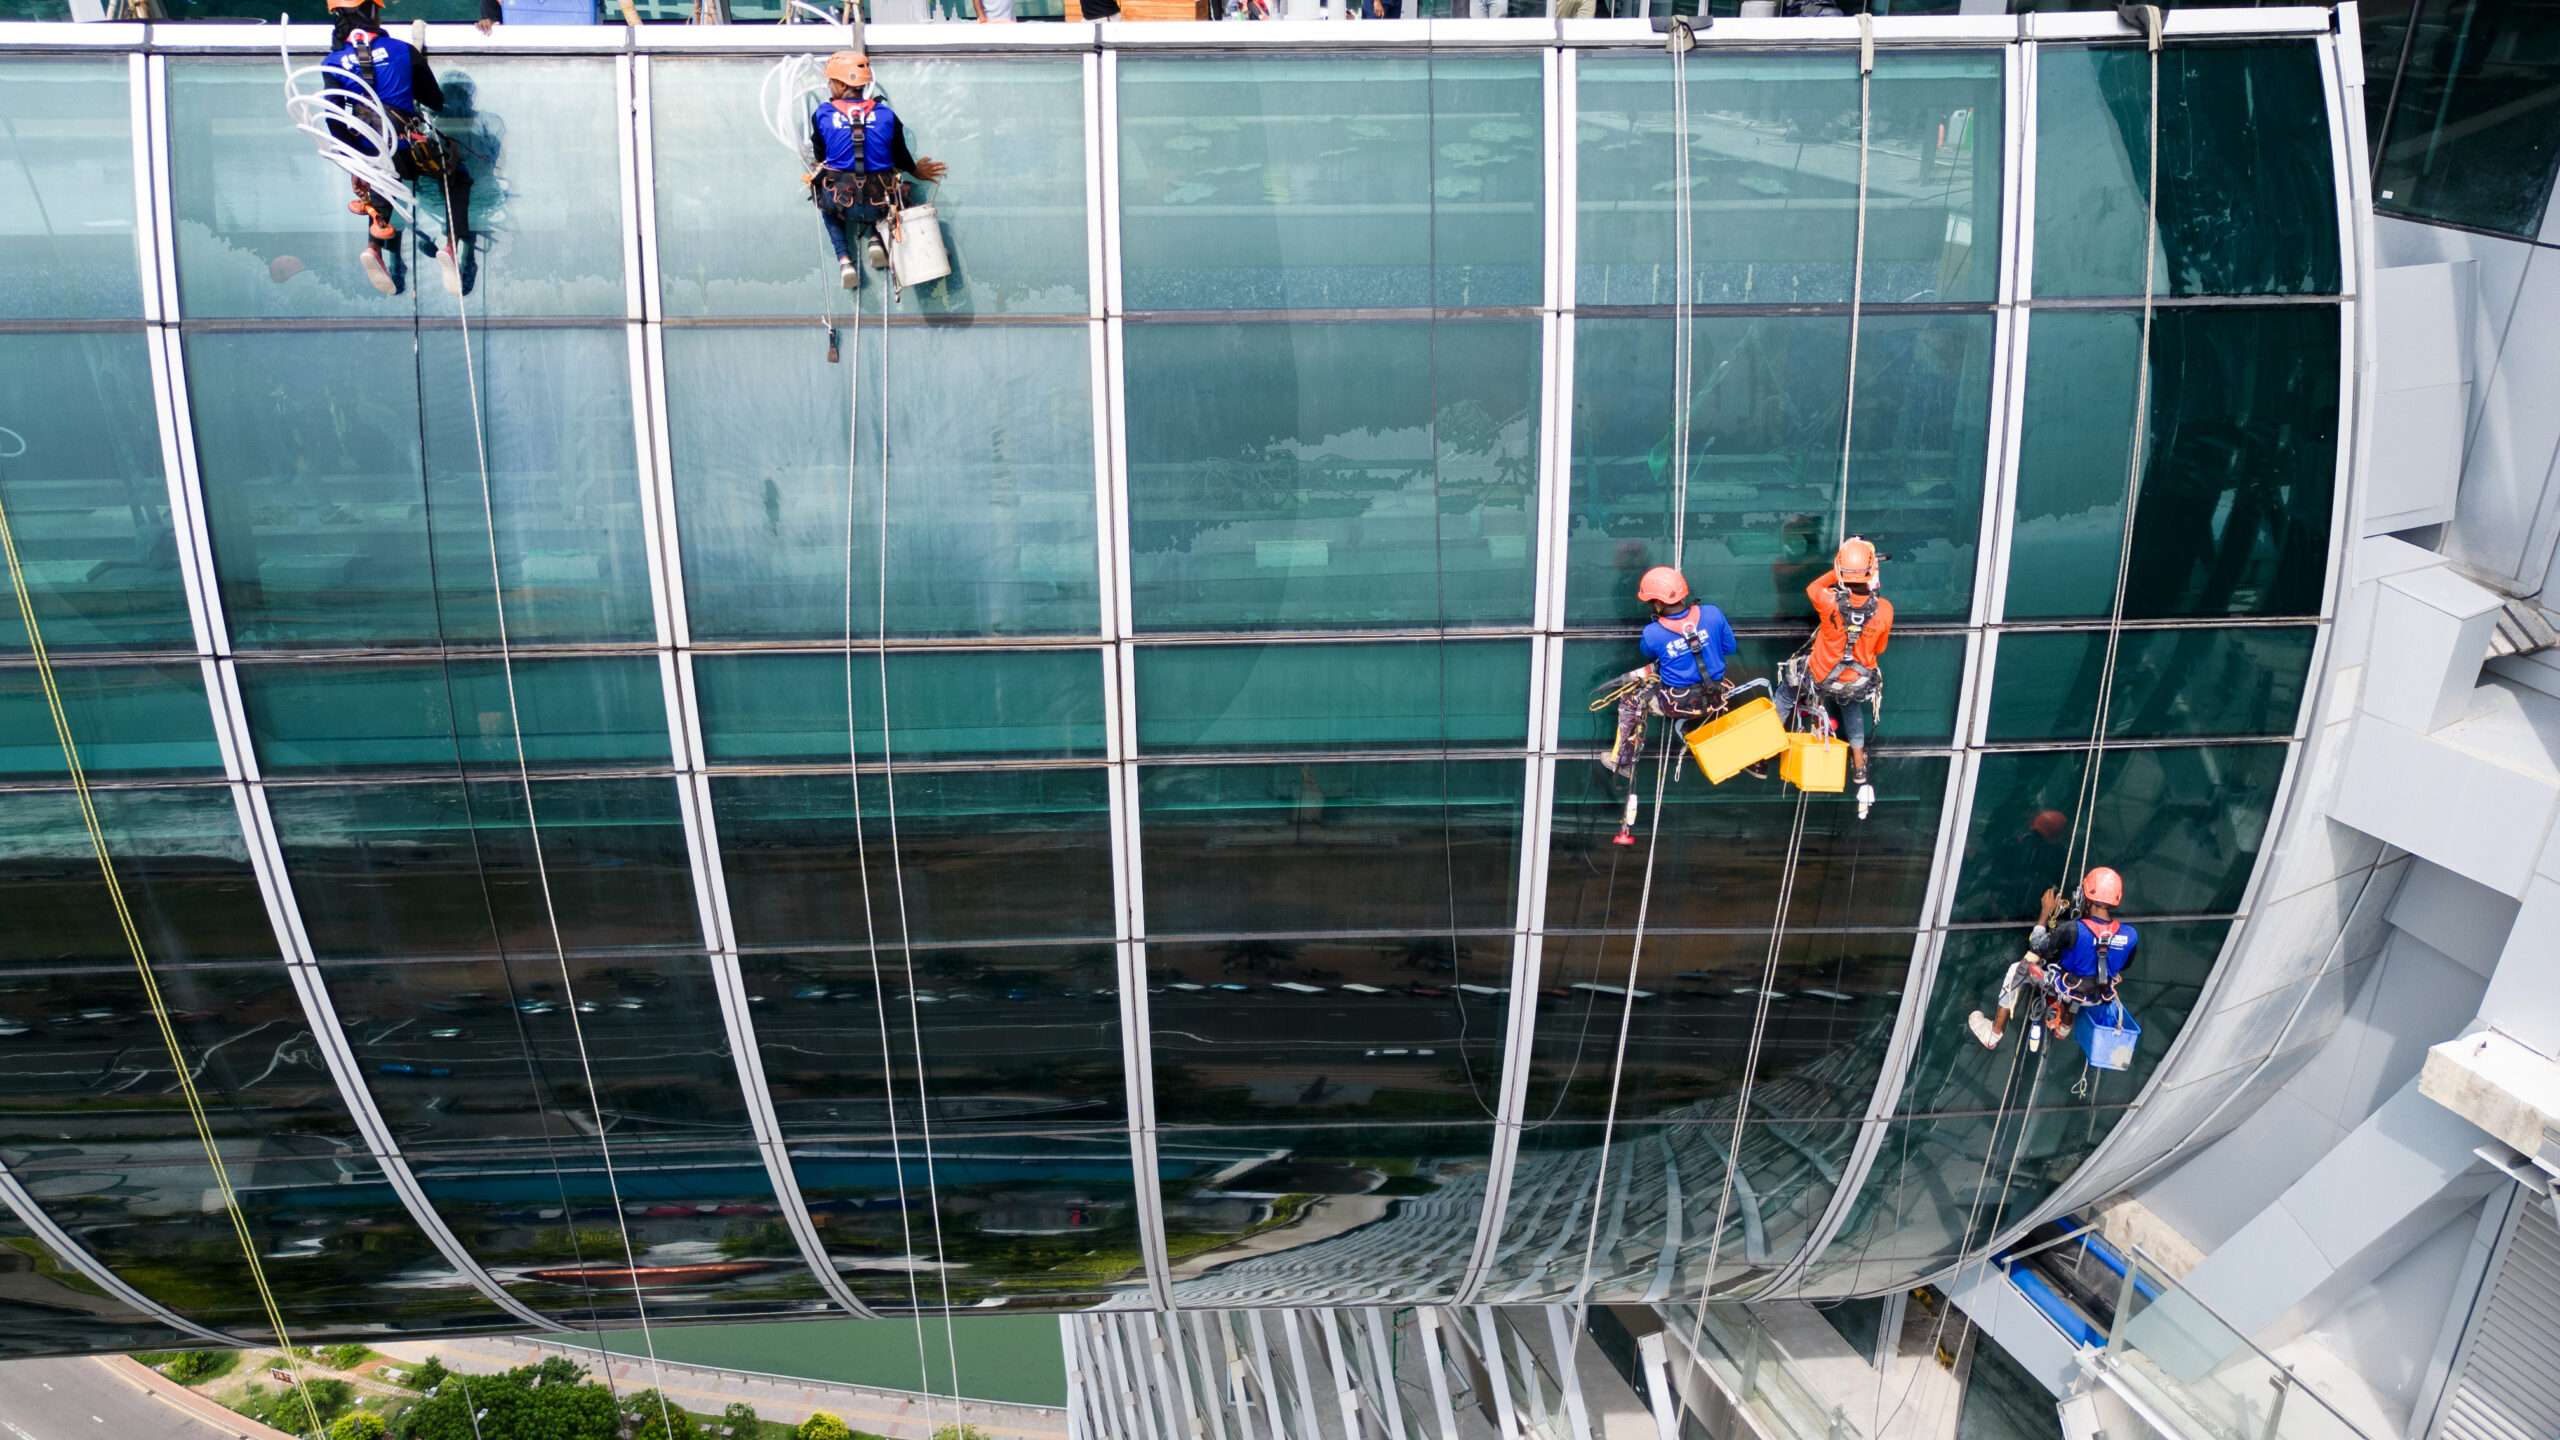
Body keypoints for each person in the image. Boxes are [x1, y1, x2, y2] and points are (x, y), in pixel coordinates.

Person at [323, 0, 479, 298]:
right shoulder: (402, 50)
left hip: (374, 151)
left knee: (380, 175)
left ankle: (374, 248)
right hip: (411, 147)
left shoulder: (332, 62)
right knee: (457, 177)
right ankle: (451, 242)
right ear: (370, 11)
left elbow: (334, 121)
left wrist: (357, 163)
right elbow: (435, 100)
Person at [1602, 564, 1738, 846]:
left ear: (1657, 602)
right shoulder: (1712, 614)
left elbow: (1649, 653)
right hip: (1714, 698)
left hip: (1677, 704)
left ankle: (1623, 760)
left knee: (1632, 701)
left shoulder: (1653, 632)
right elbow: (1729, 648)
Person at [807, 51, 949, 292]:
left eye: (830, 82)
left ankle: (845, 261)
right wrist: (915, 170)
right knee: (889, 182)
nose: (829, 86)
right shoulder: (886, 115)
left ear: (841, 84)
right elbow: (900, 156)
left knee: (825, 200)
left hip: (840, 200)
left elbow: (821, 156)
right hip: (877, 203)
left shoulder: (822, 114)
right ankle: (875, 237)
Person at [1968, 867, 2138, 1051]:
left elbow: (2037, 944)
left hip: (2066, 988)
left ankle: (1993, 1034)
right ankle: (2064, 1028)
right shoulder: (2130, 935)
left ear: (2088, 899)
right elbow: (2124, 964)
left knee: (2018, 969)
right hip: (2096, 995)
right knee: (2076, 990)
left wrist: (2045, 912)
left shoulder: (2073, 929)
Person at [1786, 537, 1892, 814]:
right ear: (1873, 574)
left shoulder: (1828, 601)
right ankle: (1858, 764)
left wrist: (1840, 570)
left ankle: (1764, 751)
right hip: (1854, 681)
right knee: (1851, 708)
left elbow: (1813, 586)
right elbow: (1880, 647)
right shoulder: (1884, 610)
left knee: (1786, 691)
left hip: (1821, 676)